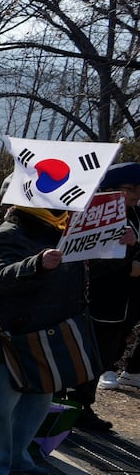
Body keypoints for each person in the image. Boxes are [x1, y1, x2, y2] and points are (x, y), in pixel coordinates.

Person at [0, 181, 94, 475]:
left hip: (48, 335)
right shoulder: (9, 232)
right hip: (9, 336)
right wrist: (35, 264)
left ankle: (15, 456)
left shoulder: (66, 232)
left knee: (36, 403)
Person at [86, 163, 140, 413]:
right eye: (131, 188)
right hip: (98, 297)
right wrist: (128, 256)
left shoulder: (136, 216)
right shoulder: (97, 213)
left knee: (107, 352)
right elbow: (93, 262)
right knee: (88, 353)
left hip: (126, 301)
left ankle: (84, 406)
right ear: (111, 189)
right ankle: (72, 403)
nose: (136, 194)